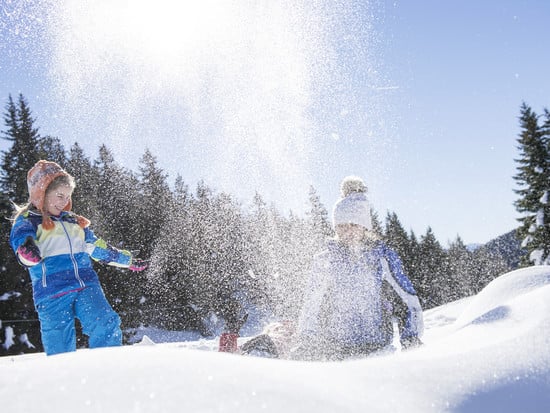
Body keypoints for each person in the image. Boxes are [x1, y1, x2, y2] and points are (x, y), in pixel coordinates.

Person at [9, 160, 147, 355]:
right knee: (59, 345)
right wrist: (27, 250)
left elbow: (99, 248)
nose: (64, 201)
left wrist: (128, 261)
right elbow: (21, 243)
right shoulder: (28, 222)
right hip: (52, 293)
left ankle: (110, 370)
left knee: (105, 321)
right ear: (41, 193)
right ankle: (64, 381)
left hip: (86, 285)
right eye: (59, 195)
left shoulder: (75, 222)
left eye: (67, 196)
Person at [293, 176, 423, 361]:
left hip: (379, 347)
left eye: (353, 224)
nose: (348, 231)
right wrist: (307, 341)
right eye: (341, 226)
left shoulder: (382, 257)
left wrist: (411, 338)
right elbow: (311, 304)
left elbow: (407, 298)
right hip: (336, 348)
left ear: (364, 225)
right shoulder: (326, 260)